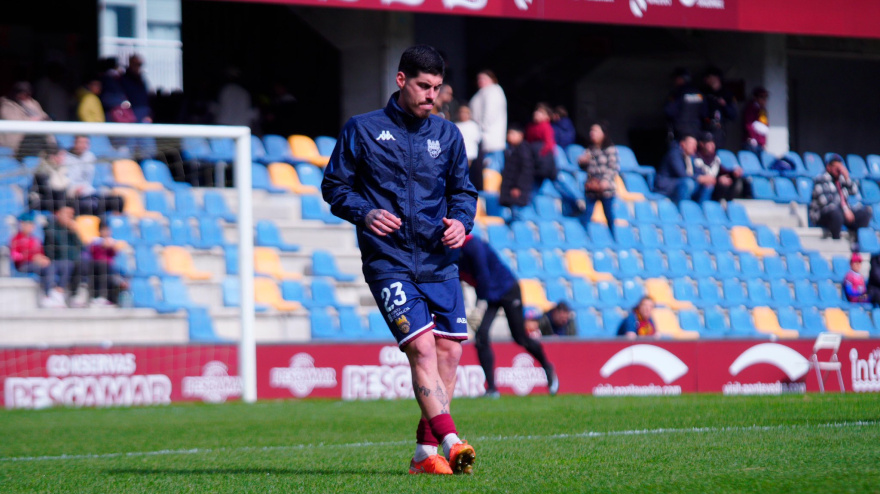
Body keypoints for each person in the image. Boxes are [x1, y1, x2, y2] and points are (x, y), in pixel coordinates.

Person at [322, 45, 478, 476]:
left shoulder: (448, 136)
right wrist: (365, 212)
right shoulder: (363, 129)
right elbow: (334, 186)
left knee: (449, 352)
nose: (432, 95)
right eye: (424, 86)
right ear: (401, 80)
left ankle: (423, 455)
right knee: (422, 347)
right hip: (388, 261)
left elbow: (464, 192)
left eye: (437, 88)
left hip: (439, 260)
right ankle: (451, 440)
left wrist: (462, 222)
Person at [458, 234, 558, 397]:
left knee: (520, 337)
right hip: (491, 295)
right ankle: (491, 389)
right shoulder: (453, 251)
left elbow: (482, 274)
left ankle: (547, 366)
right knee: (482, 336)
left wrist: (478, 305)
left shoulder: (472, 245)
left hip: (506, 289)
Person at [810, 154, 871, 240]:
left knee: (864, 214)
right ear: (829, 167)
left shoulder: (841, 180)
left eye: (840, 167)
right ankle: (836, 242)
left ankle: (857, 242)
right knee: (836, 213)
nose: (838, 170)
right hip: (823, 214)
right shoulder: (821, 180)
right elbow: (824, 201)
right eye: (836, 167)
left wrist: (847, 178)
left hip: (841, 212)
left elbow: (854, 191)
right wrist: (845, 210)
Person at [9, 212, 65, 308]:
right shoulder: (16, 239)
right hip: (23, 265)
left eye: (31, 224)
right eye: (27, 224)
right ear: (21, 224)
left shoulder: (35, 240)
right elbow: (15, 256)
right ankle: (48, 295)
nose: (30, 226)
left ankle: (54, 292)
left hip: (37, 265)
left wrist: (43, 258)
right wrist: (32, 258)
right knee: (46, 268)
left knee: (54, 266)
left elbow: (40, 253)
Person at [64, 136, 124, 215]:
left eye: (86, 143)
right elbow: (64, 180)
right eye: (80, 142)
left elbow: (93, 179)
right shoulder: (65, 157)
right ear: (74, 143)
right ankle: (101, 225)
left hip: (91, 193)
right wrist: (73, 190)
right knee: (92, 205)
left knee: (118, 200)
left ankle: (117, 223)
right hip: (74, 196)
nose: (83, 145)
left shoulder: (90, 156)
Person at [577, 121, 619, 229]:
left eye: (595, 131)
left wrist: (605, 181)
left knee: (609, 215)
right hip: (592, 186)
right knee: (587, 213)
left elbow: (613, 168)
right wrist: (582, 162)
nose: (592, 133)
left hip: (606, 189)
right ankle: (585, 236)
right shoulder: (590, 150)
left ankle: (613, 237)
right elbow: (586, 168)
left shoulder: (610, 149)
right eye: (591, 131)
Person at [44, 206, 85, 308]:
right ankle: (56, 293)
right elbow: (57, 250)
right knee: (67, 265)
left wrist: (74, 232)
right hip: (55, 260)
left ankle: (74, 295)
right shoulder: (51, 228)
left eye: (71, 215)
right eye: (67, 214)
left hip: (70, 260)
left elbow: (81, 247)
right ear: (59, 214)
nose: (70, 217)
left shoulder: (71, 230)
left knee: (83, 263)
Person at [654, 134, 713, 203]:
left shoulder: (692, 157)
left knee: (708, 185)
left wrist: (706, 178)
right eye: (691, 144)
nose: (694, 147)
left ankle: (700, 210)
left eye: (695, 145)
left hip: (682, 184)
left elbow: (697, 171)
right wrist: (699, 178)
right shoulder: (674, 154)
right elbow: (682, 174)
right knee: (688, 183)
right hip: (666, 185)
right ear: (682, 144)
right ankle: (682, 208)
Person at [0, 82, 52, 158]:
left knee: (46, 137)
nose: (24, 96)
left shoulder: (33, 103)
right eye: (22, 93)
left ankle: (53, 153)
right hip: (16, 144)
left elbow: (45, 117)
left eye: (27, 93)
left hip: (36, 140)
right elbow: (15, 124)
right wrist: (32, 120)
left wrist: (30, 106)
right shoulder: (6, 105)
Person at [693, 132, 744, 202]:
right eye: (709, 143)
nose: (712, 145)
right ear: (702, 144)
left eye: (712, 143)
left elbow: (721, 171)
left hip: (714, 187)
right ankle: (703, 207)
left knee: (731, 179)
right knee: (709, 186)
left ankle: (725, 204)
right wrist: (718, 180)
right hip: (701, 189)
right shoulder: (695, 157)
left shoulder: (714, 157)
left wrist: (733, 173)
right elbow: (700, 176)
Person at [88, 219, 128, 307]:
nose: (106, 232)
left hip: (110, 268)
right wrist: (102, 245)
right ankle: (100, 297)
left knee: (119, 278)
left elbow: (114, 254)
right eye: (104, 230)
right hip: (98, 267)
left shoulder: (112, 242)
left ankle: (113, 300)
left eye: (108, 230)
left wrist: (112, 247)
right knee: (104, 269)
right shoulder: (95, 241)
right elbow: (93, 253)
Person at [499, 123, 535, 221]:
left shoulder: (523, 149)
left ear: (520, 135)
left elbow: (526, 170)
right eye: (509, 133)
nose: (509, 136)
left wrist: (518, 187)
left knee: (518, 216)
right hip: (510, 189)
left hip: (517, 190)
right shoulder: (509, 149)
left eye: (512, 134)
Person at [469, 69, 507, 155]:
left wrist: (482, 127)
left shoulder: (493, 91)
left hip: (490, 138)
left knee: (491, 166)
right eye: (478, 79)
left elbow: (490, 112)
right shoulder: (482, 92)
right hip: (481, 136)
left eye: (483, 78)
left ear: (492, 79)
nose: (480, 81)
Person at [701, 66, 737, 148]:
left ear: (716, 78)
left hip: (719, 131)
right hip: (705, 130)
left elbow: (733, 115)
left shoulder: (727, 94)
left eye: (709, 77)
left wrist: (724, 105)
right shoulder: (704, 93)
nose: (707, 80)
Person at [664, 67, 703, 140]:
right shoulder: (699, 93)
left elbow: (669, 111)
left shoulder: (677, 94)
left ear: (680, 79)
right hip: (697, 133)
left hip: (681, 134)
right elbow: (705, 113)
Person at [120, 54, 152, 123]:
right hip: (130, 114)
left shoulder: (141, 79)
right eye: (135, 64)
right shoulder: (123, 80)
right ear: (130, 64)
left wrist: (149, 115)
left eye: (139, 64)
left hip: (144, 114)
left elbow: (145, 99)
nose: (138, 67)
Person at [743, 87, 769, 154]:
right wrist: (753, 138)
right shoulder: (751, 108)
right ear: (755, 98)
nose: (764, 99)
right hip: (752, 143)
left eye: (765, 97)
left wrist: (763, 143)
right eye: (761, 97)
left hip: (760, 144)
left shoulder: (762, 110)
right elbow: (749, 125)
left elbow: (764, 127)